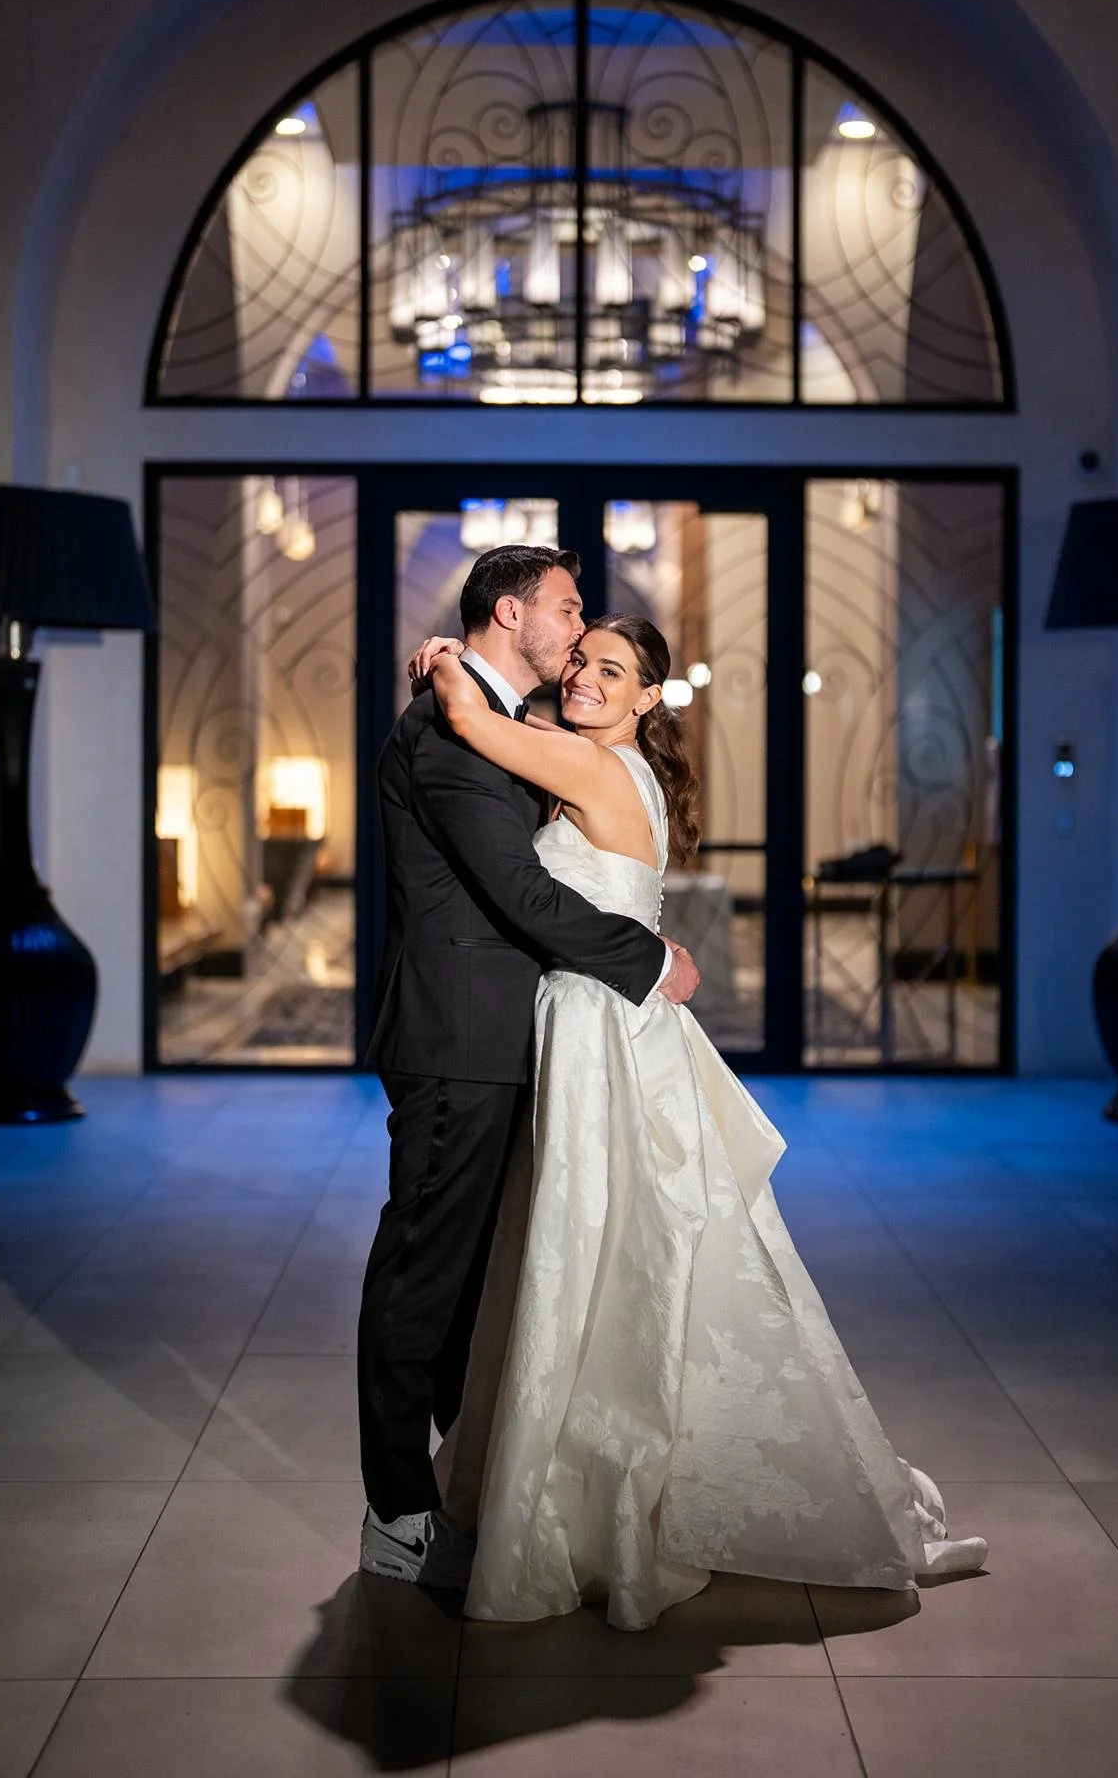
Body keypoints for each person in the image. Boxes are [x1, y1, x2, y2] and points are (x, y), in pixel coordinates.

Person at [413, 611, 988, 1631]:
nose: (584, 676)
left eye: (611, 671)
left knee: (594, 1246)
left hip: (598, 1028)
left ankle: (593, 1499)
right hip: (612, 1022)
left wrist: (444, 658)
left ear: (646, 699)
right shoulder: (604, 764)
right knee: (618, 1247)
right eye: (581, 659)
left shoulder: (588, 765)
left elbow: (466, 715)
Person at [357, 548, 701, 1590]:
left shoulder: (503, 721)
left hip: (519, 1039)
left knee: (485, 1277)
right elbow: (522, 894)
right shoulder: (454, 734)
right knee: (423, 1273)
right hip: (460, 1040)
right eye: (566, 608)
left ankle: (474, 1478)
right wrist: (649, 957)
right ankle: (397, 1507)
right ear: (513, 613)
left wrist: (456, 665)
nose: (578, 624)